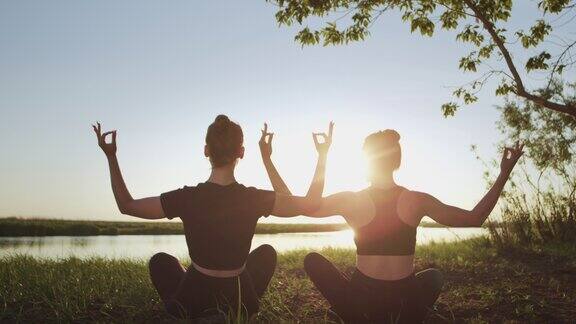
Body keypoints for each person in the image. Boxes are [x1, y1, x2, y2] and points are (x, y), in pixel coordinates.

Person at [261, 127, 523, 323]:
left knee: (312, 260)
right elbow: (475, 217)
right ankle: (411, 314)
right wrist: (504, 174)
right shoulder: (416, 200)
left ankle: (351, 315)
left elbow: (301, 206)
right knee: (434, 276)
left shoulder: (351, 201)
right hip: (404, 300)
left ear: (366, 161)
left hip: (362, 301)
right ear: (396, 161)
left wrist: (309, 157)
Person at [91, 115, 333, 320]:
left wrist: (110, 156)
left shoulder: (186, 198)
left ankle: (186, 312)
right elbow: (307, 204)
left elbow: (127, 206)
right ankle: (240, 313)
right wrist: (317, 156)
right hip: (239, 295)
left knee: (161, 261)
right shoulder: (253, 198)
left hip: (193, 297)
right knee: (266, 253)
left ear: (206, 151)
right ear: (241, 152)